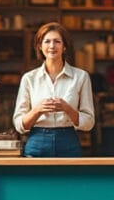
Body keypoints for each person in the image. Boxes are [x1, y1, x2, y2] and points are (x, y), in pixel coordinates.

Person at [13, 22, 95, 157]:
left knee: (69, 179)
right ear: (40, 46)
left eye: (57, 41)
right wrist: (37, 110)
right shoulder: (29, 78)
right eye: (47, 41)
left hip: (68, 141)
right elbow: (19, 125)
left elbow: (89, 122)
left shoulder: (81, 77)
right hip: (36, 142)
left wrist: (67, 108)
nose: (52, 46)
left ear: (64, 47)